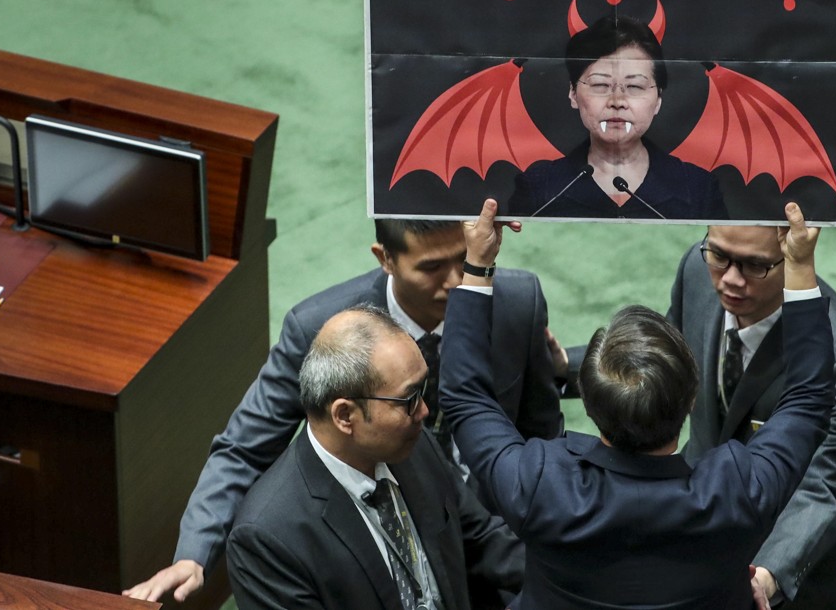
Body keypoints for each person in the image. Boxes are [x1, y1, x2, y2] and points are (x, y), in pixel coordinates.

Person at [124, 219, 562, 603]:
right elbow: (242, 450)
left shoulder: (516, 303)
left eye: (463, 261)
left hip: (496, 535)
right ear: (385, 258)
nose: (453, 282)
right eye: (430, 267)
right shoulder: (324, 332)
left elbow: (542, 433)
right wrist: (194, 553)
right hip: (379, 552)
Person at [440, 199, 833, 609]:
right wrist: (800, 264)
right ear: (691, 395)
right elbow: (809, 398)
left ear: (589, 405)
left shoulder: (539, 484)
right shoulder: (737, 490)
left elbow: (465, 396)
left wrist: (478, 263)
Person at [227, 305, 523, 609]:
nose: (423, 411)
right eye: (409, 398)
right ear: (345, 415)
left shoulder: (410, 444)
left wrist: (566, 573)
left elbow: (480, 539)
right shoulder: (267, 540)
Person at [670, 223, 836, 608]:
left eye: (754, 266)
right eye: (719, 256)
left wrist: (766, 576)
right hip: (700, 547)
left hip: (795, 577)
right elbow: (661, 367)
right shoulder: (696, 272)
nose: (730, 280)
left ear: (791, 256)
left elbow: (826, 486)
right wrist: (564, 365)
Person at [507, 14, 727, 220]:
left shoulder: (699, 188)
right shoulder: (539, 187)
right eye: (600, 85)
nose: (617, 101)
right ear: (573, 93)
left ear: (658, 99)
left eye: (634, 86)